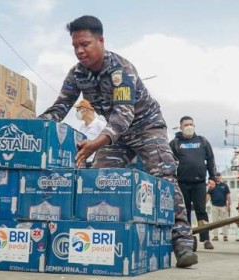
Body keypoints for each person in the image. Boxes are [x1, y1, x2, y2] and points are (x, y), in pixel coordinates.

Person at [38, 15, 197, 268]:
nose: (80, 50)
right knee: (101, 178)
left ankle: (183, 243)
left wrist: (96, 143)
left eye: (85, 44)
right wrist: (39, 124)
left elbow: (124, 113)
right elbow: (61, 105)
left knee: (164, 174)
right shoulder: (77, 74)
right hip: (116, 135)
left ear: (101, 40)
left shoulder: (120, 70)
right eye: (75, 46)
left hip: (146, 127)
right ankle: (105, 239)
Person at [169, 116, 217, 250]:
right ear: (181, 127)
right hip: (182, 184)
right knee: (185, 212)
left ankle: (206, 238)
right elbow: (169, 162)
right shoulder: (175, 143)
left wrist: (213, 178)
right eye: (186, 125)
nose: (189, 127)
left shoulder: (203, 141)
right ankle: (188, 239)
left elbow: (211, 160)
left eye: (191, 124)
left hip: (200, 183)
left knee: (201, 211)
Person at [74, 99, 107, 167]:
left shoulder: (101, 125)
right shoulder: (81, 127)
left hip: (96, 164)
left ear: (84, 110)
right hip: (83, 163)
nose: (77, 113)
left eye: (78, 110)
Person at [206, 172, 231, 241]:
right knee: (215, 222)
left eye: (219, 176)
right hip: (214, 206)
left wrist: (229, 205)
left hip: (223, 206)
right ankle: (215, 236)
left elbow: (228, 195)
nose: (217, 177)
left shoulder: (225, 186)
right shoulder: (212, 186)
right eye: (216, 176)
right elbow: (208, 195)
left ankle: (225, 236)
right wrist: (204, 203)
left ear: (221, 177)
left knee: (224, 222)